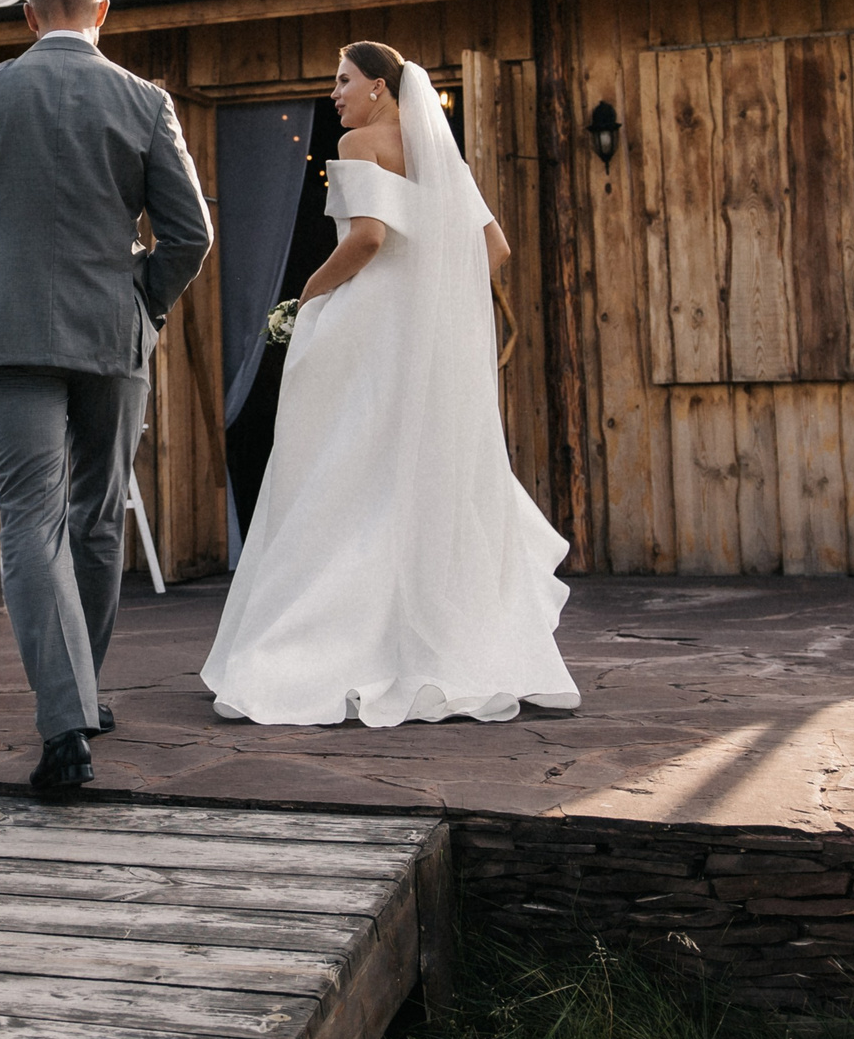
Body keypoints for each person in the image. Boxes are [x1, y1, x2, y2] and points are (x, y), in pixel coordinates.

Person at [200, 40, 580, 725]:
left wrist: (304, 296)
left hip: (366, 331)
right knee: (409, 482)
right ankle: (430, 643)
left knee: (339, 478)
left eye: (344, 79)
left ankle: (323, 645)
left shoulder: (356, 142)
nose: (334, 92)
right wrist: (432, 298)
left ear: (379, 85)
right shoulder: (436, 153)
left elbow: (368, 237)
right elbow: (494, 249)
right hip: (418, 343)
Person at [0, 0, 211, 792]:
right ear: (103, 12)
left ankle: (65, 717)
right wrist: (141, 303)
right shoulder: (146, 100)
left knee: (30, 520)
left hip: (6, 338)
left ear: (28, 15)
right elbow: (189, 235)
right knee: (97, 518)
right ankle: (82, 693)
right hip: (111, 340)